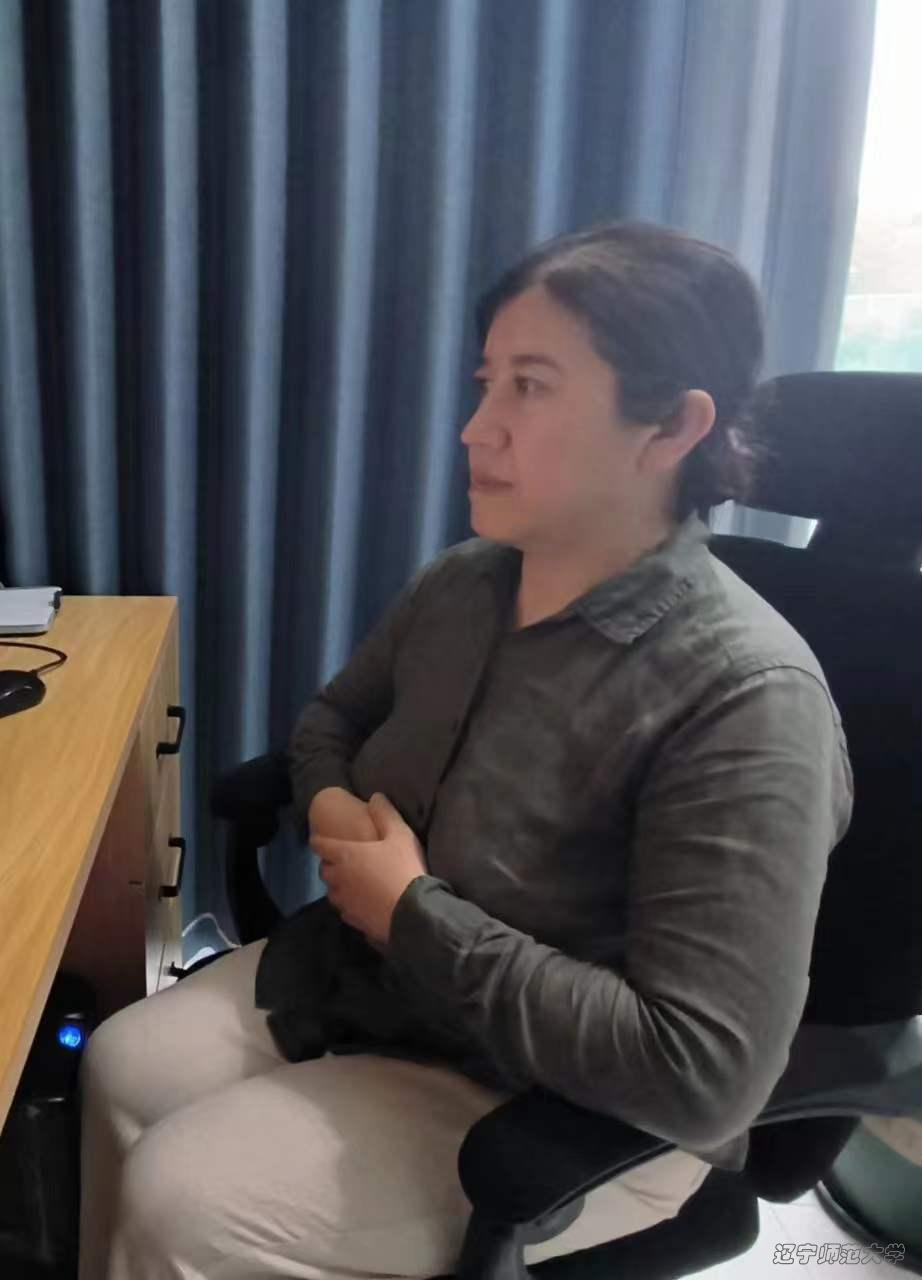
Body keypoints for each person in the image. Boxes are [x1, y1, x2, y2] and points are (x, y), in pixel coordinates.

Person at [79, 222, 853, 1280]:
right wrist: (329, 806)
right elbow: (331, 721)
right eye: (487, 383)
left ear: (672, 425)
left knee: (183, 1198)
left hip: (562, 1097)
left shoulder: (746, 700)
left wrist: (412, 912)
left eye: (530, 387)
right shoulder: (464, 582)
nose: (475, 428)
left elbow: (699, 1072)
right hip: (374, 987)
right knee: (119, 1063)